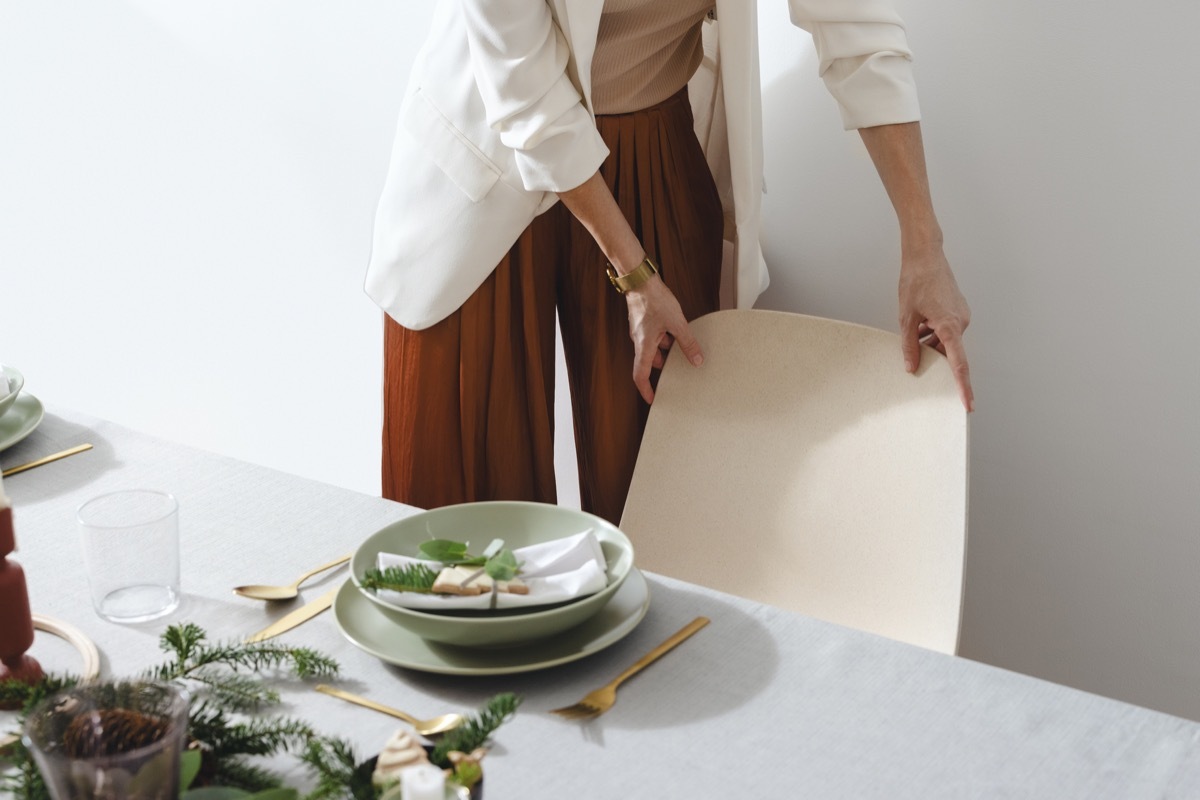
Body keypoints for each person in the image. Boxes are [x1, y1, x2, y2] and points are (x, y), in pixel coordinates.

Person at [365, 0, 973, 525]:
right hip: (494, 157)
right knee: (464, 528)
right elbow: (529, 96)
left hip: (649, 138)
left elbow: (858, 32)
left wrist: (924, 247)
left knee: (667, 500)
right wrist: (635, 277)